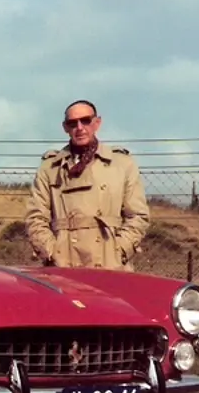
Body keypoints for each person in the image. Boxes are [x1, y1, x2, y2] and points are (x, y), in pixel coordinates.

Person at [23, 100, 150, 271]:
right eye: (72, 123)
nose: (80, 127)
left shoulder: (122, 164)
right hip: (63, 266)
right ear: (65, 128)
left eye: (86, 120)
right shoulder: (50, 167)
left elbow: (138, 216)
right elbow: (36, 217)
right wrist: (52, 253)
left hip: (110, 266)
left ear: (97, 123)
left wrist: (118, 251)